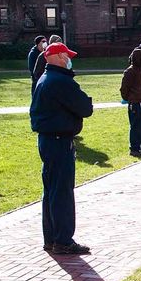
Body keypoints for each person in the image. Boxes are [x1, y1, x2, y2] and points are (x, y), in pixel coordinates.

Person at [30, 42, 94, 255]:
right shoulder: (60, 81)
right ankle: (63, 240)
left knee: (51, 190)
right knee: (62, 192)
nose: (69, 59)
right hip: (59, 141)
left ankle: (52, 238)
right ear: (57, 56)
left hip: (48, 140)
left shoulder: (45, 78)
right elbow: (85, 108)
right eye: (67, 55)